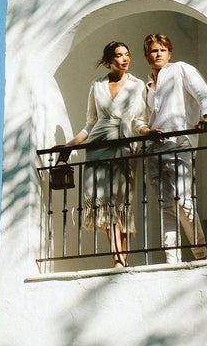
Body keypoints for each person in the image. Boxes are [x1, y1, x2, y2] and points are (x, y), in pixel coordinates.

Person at [63, 41, 147, 268]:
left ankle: (121, 258)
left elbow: (139, 120)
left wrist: (147, 131)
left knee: (121, 206)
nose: (125, 59)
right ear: (109, 60)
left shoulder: (138, 85)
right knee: (104, 206)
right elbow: (90, 123)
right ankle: (118, 258)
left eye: (127, 55)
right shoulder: (97, 86)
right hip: (97, 146)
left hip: (123, 145)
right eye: (119, 55)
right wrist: (69, 145)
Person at [136, 33, 207, 263]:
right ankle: (172, 260)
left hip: (178, 141)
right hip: (154, 149)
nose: (158, 53)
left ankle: (200, 252)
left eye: (162, 49)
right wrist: (144, 132)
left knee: (183, 200)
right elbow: (142, 118)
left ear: (169, 53)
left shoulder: (180, 69)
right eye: (153, 50)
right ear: (147, 55)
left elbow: (201, 91)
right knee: (166, 207)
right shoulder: (146, 86)